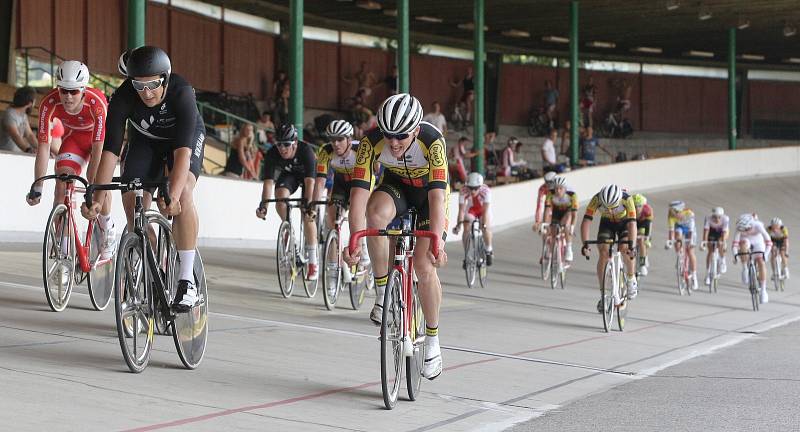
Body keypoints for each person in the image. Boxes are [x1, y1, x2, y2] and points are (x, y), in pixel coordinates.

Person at [82, 46, 206, 312]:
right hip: (145, 142)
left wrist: (172, 194)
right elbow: (111, 151)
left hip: (182, 141)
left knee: (181, 193)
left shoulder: (182, 92)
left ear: (165, 78)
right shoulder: (123, 97)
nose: (147, 93)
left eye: (153, 85)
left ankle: (187, 280)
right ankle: (154, 265)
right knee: (131, 199)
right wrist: (97, 196)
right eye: (140, 85)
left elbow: (183, 153)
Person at [343, 93, 448, 380]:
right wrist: (354, 238)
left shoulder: (433, 141)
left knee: (425, 265)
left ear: (415, 130)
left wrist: (437, 241)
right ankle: (382, 293)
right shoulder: (370, 141)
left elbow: (438, 198)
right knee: (375, 215)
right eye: (389, 135)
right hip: (396, 188)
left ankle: (433, 339)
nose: (393, 143)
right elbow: (358, 193)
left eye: (401, 136)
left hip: (428, 195)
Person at [28, 61, 116, 259]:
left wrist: (93, 181)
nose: (67, 96)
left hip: (99, 141)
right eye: (63, 90)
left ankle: (107, 227)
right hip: (74, 140)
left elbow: (99, 148)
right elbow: (43, 147)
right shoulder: (49, 103)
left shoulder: (96, 101)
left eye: (74, 92)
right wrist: (38, 187)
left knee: (98, 181)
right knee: (62, 183)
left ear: (83, 90)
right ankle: (64, 252)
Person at [256, 124, 319, 280]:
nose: (282, 148)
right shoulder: (272, 154)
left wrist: (309, 205)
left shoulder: (306, 152)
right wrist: (264, 206)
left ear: (295, 143)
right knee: (280, 198)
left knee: (307, 216)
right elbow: (268, 183)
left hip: (307, 178)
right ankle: (290, 233)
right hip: (290, 175)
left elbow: (311, 183)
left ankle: (313, 262)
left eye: (286, 145)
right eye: (279, 144)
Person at [580, 184, 638, 312]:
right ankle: (603, 294)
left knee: (625, 249)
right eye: (607, 208)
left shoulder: (627, 199)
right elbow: (586, 221)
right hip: (606, 225)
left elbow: (633, 224)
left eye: (613, 208)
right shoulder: (596, 200)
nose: (611, 211)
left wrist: (632, 246)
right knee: (604, 254)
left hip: (624, 224)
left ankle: (631, 278)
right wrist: (585, 244)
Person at [452, 172, 493, 266]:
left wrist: (484, 225)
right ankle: (467, 254)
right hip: (472, 210)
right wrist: (458, 225)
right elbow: (461, 211)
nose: (473, 191)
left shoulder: (486, 191)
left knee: (485, 227)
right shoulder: (463, 190)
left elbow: (485, 211)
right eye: (470, 188)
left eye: (475, 188)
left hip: (483, 210)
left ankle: (489, 249)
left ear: (480, 186)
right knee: (466, 225)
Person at [732, 213, 772, 304]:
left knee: (761, 262)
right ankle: (745, 268)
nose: (745, 230)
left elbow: (769, 242)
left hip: (758, 242)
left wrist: (766, 254)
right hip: (746, 241)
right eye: (743, 230)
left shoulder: (758, 225)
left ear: (751, 225)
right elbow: (734, 245)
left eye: (747, 229)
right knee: (743, 244)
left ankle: (763, 290)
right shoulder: (739, 228)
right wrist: (735, 255)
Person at [665, 200, 698, 290]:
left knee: (690, 251)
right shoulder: (671, 216)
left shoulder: (689, 213)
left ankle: (694, 276)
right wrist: (670, 241)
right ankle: (680, 255)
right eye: (671, 211)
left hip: (689, 230)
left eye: (674, 211)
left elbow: (691, 230)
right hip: (679, 228)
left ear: (679, 210)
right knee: (677, 238)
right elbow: (671, 231)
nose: (672, 213)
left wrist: (690, 242)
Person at [543, 176, 578, 262]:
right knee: (553, 231)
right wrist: (545, 225)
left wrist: (572, 227)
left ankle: (569, 248)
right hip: (556, 211)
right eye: (556, 188)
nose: (558, 191)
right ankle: (551, 249)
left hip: (568, 212)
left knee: (566, 226)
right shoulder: (550, 194)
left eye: (561, 188)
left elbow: (574, 214)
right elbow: (547, 211)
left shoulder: (572, 195)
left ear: (565, 189)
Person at [0, 86, 37, 153]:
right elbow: (15, 135)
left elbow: (29, 135)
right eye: (34, 100)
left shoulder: (23, 115)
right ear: (30, 103)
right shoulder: (10, 114)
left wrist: (41, 149)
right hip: (5, 154)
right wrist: (28, 150)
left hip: (17, 153)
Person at [700, 206, 730, 285]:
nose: (717, 219)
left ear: (722, 216)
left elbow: (724, 233)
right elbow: (706, 231)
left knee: (720, 243)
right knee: (710, 251)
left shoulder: (726, 219)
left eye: (719, 217)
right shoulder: (708, 218)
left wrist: (723, 243)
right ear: (712, 216)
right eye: (714, 217)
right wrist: (704, 242)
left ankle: (723, 260)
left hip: (721, 232)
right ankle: (707, 274)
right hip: (712, 231)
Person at [632, 193, 653, 276]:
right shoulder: (628, 210)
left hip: (644, 223)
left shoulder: (647, 210)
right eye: (635, 206)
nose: (637, 208)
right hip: (633, 222)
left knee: (642, 241)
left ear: (643, 206)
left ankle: (642, 264)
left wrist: (647, 237)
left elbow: (649, 225)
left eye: (639, 206)